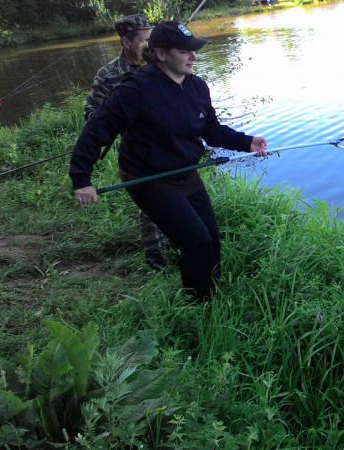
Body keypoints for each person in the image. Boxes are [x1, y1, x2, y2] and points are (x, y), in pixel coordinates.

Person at [70, 21, 268, 301]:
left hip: (186, 173)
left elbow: (210, 129)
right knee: (195, 241)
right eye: (185, 51)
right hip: (149, 179)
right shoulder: (136, 90)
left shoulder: (198, 87)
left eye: (195, 50)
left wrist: (246, 141)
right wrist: (81, 179)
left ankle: (213, 295)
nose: (193, 56)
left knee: (211, 238)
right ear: (161, 54)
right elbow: (96, 131)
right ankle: (197, 304)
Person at [84, 14, 170, 272]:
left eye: (152, 39)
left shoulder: (160, 64)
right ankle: (158, 265)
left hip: (170, 145)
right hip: (138, 151)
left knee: (179, 196)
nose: (150, 45)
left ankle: (183, 244)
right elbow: (92, 115)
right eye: (145, 40)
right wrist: (121, 121)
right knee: (153, 205)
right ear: (126, 42)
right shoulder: (108, 75)